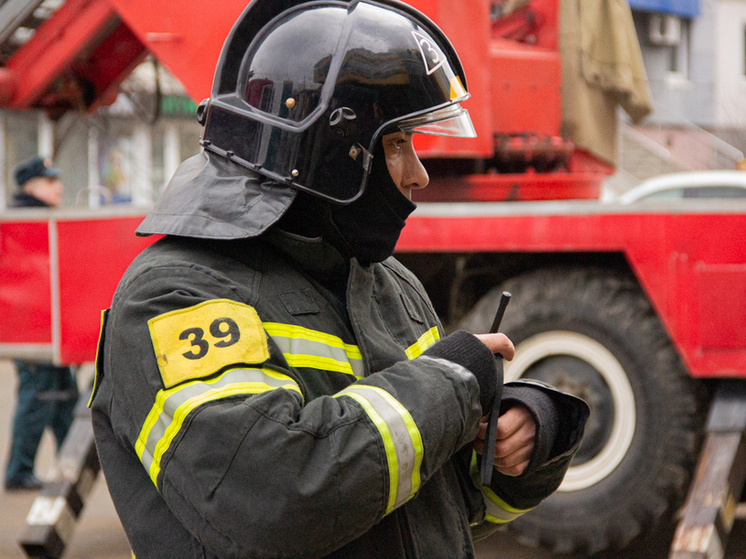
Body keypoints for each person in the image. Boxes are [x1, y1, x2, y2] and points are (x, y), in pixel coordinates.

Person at [90, 1, 589, 557]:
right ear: (328, 154)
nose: (418, 175)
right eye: (398, 143)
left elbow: (434, 500)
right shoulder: (177, 297)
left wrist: (523, 436)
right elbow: (275, 498)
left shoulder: (386, 285)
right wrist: (452, 384)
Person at [4, 156, 79, 491]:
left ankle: (71, 464)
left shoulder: (39, 219)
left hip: (51, 328)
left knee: (65, 399)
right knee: (38, 398)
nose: (59, 187)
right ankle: (19, 472)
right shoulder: (23, 222)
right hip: (35, 329)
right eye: (51, 182)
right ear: (31, 188)